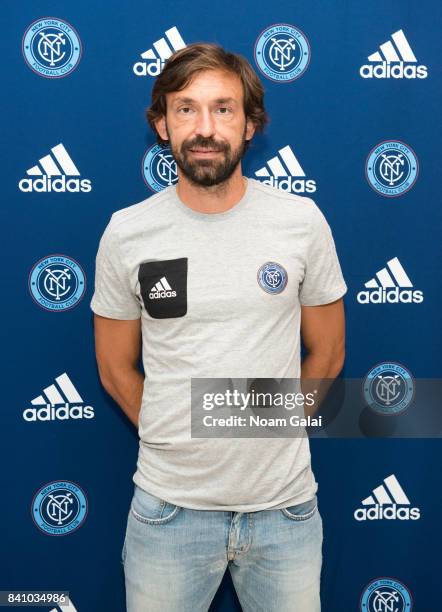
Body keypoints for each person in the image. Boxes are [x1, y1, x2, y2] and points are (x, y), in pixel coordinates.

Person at [90, 42, 347, 612]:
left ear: (251, 125)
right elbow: (113, 367)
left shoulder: (300, 222)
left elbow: (327, 352)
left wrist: (269, 430)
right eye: (186, 109)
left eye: (223, 109)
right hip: (168, 512)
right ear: (161, 124)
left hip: (285, 512)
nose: (205, 128)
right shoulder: (127, 233)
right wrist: (171, 432)